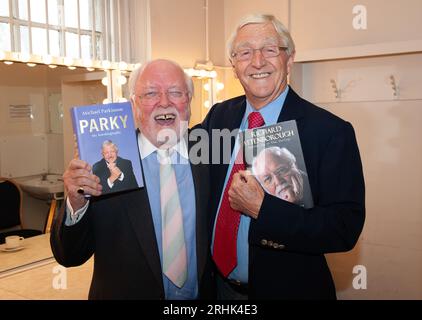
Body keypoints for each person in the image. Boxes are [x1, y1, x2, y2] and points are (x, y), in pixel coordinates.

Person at [202, 14, 365, 299]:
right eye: (245, 52)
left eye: (269, 49)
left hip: (290, 290)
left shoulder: (330, 131)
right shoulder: (219, 116)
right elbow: (171, 149)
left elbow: (344, 228)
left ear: (289, 60)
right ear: (234, 65)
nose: (257, 61)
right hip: (219, 290)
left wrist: (263, 210)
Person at [50, 59, 214, 300]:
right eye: (150, 93)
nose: (164, 102)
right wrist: (76, 202)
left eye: (175, 92)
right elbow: (70, 255)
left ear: (188, 101)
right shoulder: (100, 165)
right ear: (133, 104)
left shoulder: (210, 153)